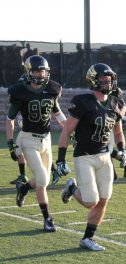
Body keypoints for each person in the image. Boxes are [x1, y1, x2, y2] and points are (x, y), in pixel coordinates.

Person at [56, 63, 126, 251]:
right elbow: (66, 131)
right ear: (93, 81)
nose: (107, 83)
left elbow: (118, 133)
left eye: (109, 79)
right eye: (103, 80)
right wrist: (61, 159)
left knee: (104, 198)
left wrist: (122, 151)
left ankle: (88, 238)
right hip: (84, 156)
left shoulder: (116, 102)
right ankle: (72, 188)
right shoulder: (83, 101)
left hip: (104, 157)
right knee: (90, 202)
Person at [6, 55, 67, 232]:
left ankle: (24, 188)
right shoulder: (20, 92)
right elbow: (10, 120)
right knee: (42, 179)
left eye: (42, 71)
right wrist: (11, 142)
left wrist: (70, 129)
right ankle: (47, 218)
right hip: (28, 139)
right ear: (28, 72)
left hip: (46, 140)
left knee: (44, 180)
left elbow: (57, 113)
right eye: (36, 71)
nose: (40, 74)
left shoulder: (52, 89)